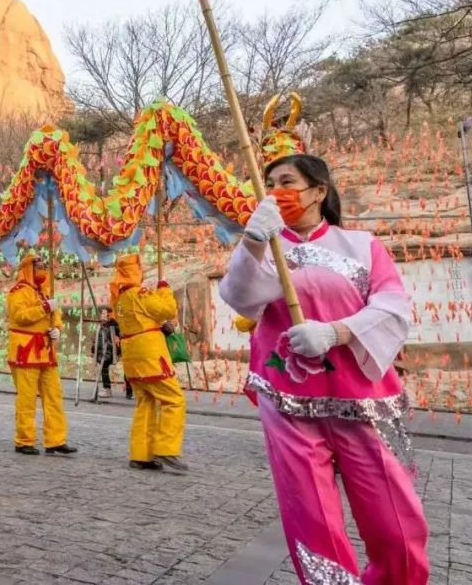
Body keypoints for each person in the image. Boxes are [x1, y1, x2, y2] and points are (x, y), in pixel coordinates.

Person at [218, 153, 429, 584]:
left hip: (363, 401)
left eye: (288, 181)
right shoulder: (268, 249)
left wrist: (336, 333)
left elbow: (392, 306)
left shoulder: (362, 245)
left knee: (396, 524)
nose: (277, 191)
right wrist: (253, 242)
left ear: (319, 191)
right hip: (289, 402)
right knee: (312, 519)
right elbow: (240, 296)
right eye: (270, 182)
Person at [109, 253, 186, 473]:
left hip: (132, 356)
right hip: (149, 353)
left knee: (146, 401)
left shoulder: (119, 299)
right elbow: (167, 310)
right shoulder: (139, 293)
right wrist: (164, 289)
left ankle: (140, 453)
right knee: (174, 399)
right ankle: (166, 447)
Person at [5, 254, 77, 456]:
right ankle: (24, 440)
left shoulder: (44, 292)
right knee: (27, 398)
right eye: (39, 266)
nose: (43, 269)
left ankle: (55, 440)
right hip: (26, 350)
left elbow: (56, 315)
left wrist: (57, 328)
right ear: (28, 269)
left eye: (45, 266)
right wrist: (45, 307)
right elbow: (20, 316)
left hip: (46, 351)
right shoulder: (17, 292)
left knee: (54, 396)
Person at [95, 306, 119, 398]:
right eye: (102, 313)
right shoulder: (100, 325)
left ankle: (107, 389)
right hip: (101, 351)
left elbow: (118, 332)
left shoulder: (112, 324)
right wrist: (94, 349)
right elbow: (97, 339)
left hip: (108, 350)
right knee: (102, 369)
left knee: (104, 368)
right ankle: (106, 388)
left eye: (105, 313)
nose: (103, 315)